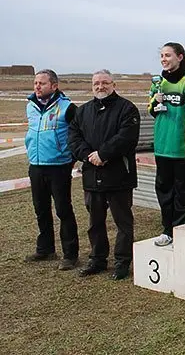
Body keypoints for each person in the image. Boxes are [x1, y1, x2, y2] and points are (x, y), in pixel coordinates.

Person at [68, 69, 140, 280]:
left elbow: (127, 137)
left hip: (119, 176)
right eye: (96, 84)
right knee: (95, 222)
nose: (100, 87)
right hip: (92, 176)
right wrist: (88, 156)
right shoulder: (82, 112)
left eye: (105, 83)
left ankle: (122, 263)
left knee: (123, 223)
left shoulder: (127, 109)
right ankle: (97, 259)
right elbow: (73, 136)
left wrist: (104, 154)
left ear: (113, 85)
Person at [149, 42, 185, 246]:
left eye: (168, 55)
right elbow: (151, 110)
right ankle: (167, 230)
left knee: (183, 193)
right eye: (162, 56)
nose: (164, 59)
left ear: (180, 57)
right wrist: (155, 100)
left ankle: (181, 230)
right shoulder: (158, 83)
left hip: (182, 148)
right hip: (162, 146)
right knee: (164, 190)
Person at [24, 69, 79, 271]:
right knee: (41, 209)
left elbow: (78, 134)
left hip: (59, 167)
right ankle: (45, 248)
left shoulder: (68, 108)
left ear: (54, 86)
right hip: (36, 165)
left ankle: (70, 254)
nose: (37, 86)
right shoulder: (30, 106)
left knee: (63, 210)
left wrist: (72, 158)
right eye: (36, 83)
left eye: (42, 83)